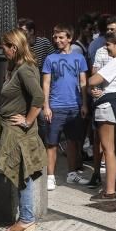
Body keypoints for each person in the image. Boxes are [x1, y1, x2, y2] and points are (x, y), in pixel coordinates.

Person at [0, 28, 47, 231]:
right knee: (19, 174)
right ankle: (24, 217)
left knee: (22, 175)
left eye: (4, 47)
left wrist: (28, 120)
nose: (2, 51)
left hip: (19, 132)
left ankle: (26, 219)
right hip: (12, 130)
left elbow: (39, 98)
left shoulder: (25, 69)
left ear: (13, 48)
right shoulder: (17, 67)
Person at [40, 24, 89, 189]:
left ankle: (71, 173)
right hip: (56, 106)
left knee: (73, 142)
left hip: (74, 106)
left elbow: (83, 82)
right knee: (52, 143)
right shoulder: (50, 59)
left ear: (70, 38)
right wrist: (46, 106)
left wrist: (84, 104)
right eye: (55, 37)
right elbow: (45, 84)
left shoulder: (79, 59)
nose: (57, 40)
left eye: (61, 37)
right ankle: (50, 176)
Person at [87, 31, 116, 199]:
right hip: (114, 104)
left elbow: (92, 80)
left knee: (109, 150)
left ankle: (109, 191)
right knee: (114, 149)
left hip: (108, 107)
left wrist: (93, 86)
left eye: (108, 44)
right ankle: (115, 186)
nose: (106, 48)